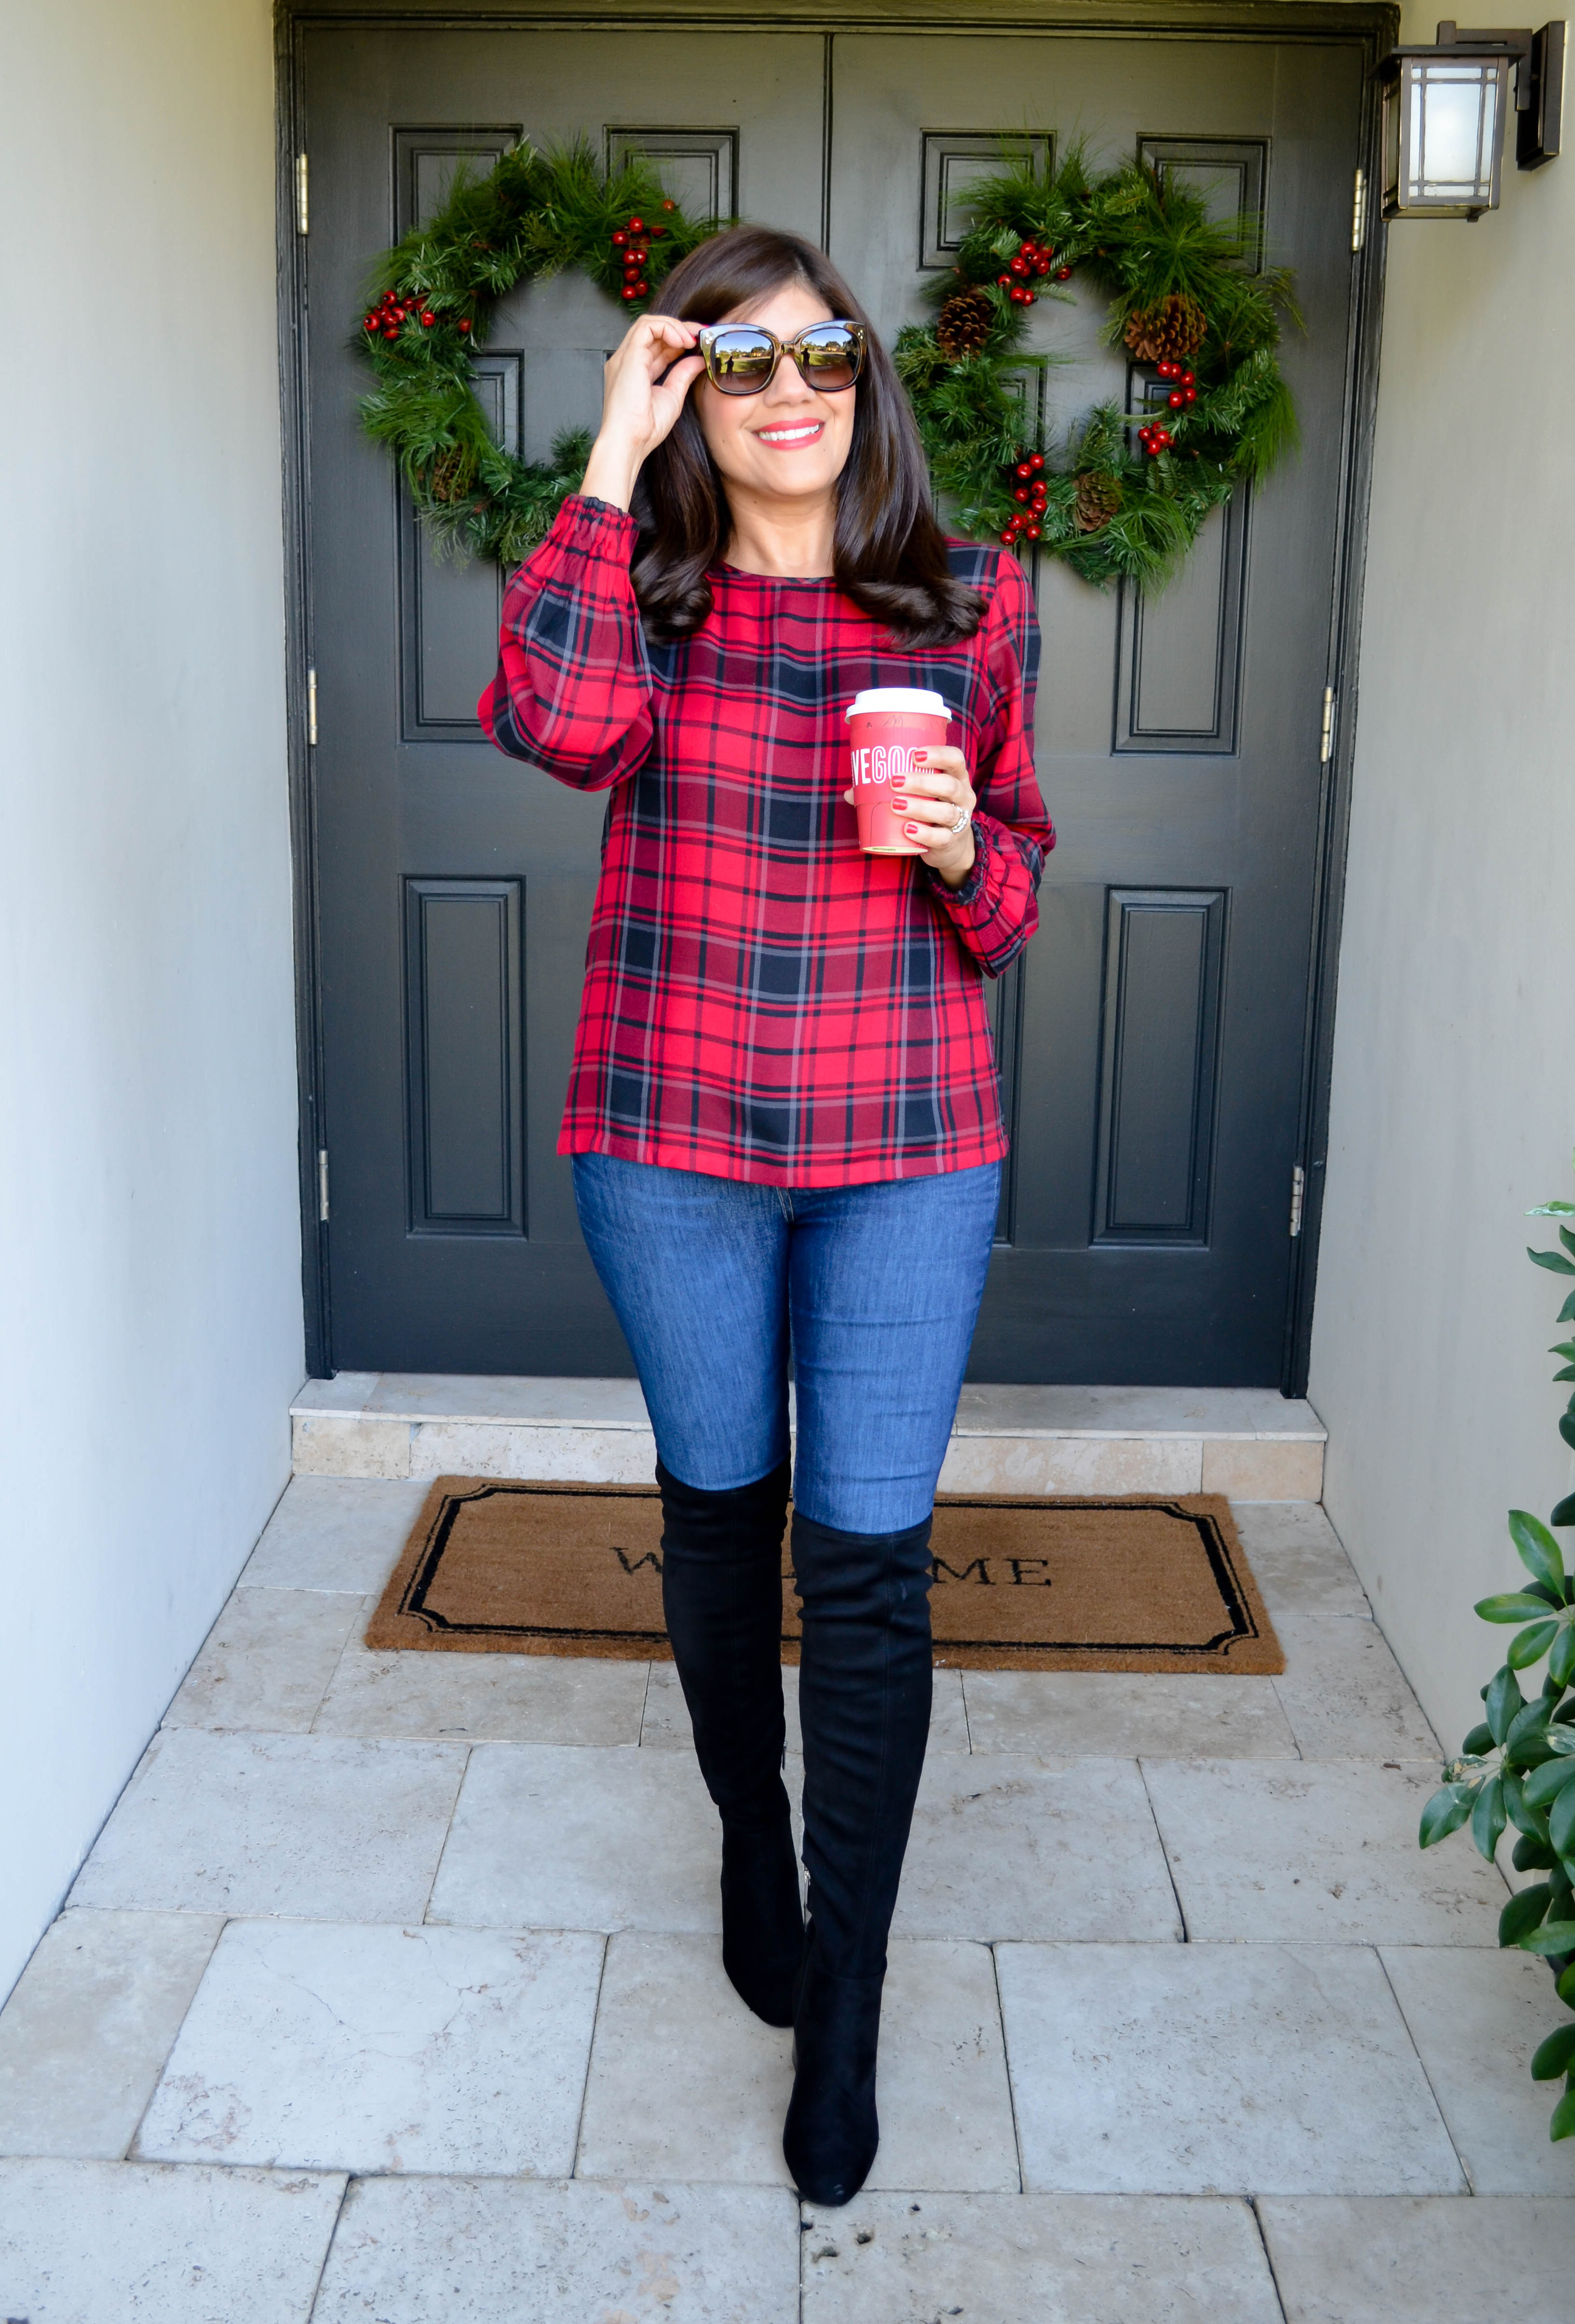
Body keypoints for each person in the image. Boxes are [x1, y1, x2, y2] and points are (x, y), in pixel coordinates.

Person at [479, 223, 1052, 2207]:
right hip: (669, 1136)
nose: (789, 387)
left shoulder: (973, 602)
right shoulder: (644, 587)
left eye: (824, 353)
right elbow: (551, 734)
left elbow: (1015, 895)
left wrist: (974, 841)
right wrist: (606, 456)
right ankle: (748, 1823)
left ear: (867, 385)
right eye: (739, 361)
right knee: (721, 1506)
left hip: (908, 1137)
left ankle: (852, 2003)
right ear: (697, 397)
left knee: (871, 1565)